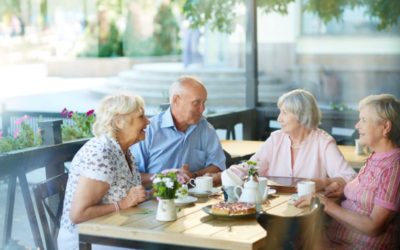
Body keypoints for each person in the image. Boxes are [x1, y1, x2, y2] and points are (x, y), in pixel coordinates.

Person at [296, 94, 400, 249]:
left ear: (385, 127)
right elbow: (367, 194)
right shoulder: (376, 156)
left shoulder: (393, 168)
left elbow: (373, 227)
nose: (357, 126)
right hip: (337, 239)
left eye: (364, 120)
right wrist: (341, 190)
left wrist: (326, 204)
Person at [58, 93, 149, 250]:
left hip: (115, 233)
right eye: (141, 116)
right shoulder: (100, 152)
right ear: (119, 121)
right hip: (87, 241)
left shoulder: (122, 150)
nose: (148, 121)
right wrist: (123, 203)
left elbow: (121, 185)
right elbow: (78, 215)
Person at [248, 89, 356, 193]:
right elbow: (250, 167)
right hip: (272, 206)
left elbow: (350, 177)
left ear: (301, 115)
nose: (279, 119)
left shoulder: (323, 142)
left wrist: (323, 182)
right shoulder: (275, 139)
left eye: (284, 113)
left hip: (308, 208)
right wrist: (232, 175)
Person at [131, 75, 226, 186]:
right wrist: (165, 178)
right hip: (156, 200)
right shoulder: (149, 130)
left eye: (204, 102)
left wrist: (193, 175)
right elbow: (132, 176)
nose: (202, 109)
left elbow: (218, 165)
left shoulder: (205, 128)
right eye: (196, 103)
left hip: (195, 197)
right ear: (176, 100)